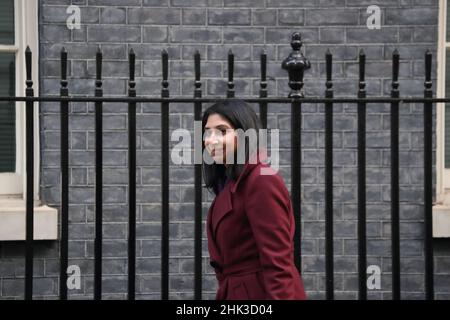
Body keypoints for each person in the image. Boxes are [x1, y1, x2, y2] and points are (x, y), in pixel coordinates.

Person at [202, 99, 307, 300]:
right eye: (207, 132)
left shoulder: (260, 180)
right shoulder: (231, 183)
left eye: (222, 131)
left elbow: (278, 263)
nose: (211, 139)